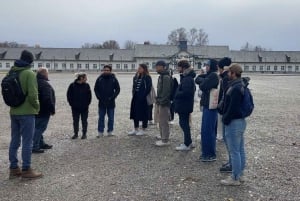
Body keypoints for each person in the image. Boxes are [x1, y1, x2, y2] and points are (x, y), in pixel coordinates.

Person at [8, 50, 42, 179]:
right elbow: (33, 95)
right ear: (31, 61)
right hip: (27, 112)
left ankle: (13, 168)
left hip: (14, 111)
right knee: (28, 141)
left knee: (15, 140)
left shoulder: (12, 71)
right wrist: (37, 107)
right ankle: (26, 169)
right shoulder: (29, 74)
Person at [220, 63, 248, 186]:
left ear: (233, 73)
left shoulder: (235, 88)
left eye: (229, 72)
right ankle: (240, 174)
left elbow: (232, 107)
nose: (228, 75)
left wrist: (225, 118)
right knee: (240, 149)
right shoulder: (241, 85)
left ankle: (235, 177)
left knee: (234, 151)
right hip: (240, 121)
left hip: (234, 122)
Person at [195, 59, 219, 162]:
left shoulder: (213, 75)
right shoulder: (209, 75)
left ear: (212, 66)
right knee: (206, 130)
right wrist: (203, 78)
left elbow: (203, 85)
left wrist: (203, 80)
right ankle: (207, 153)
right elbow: (197, 79)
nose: (206, 67)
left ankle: (209, 154)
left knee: (207, 131)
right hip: (207, 106)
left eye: (207, 65)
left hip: (210, 107)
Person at [32, 67, 56, 153]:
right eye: (47, 73)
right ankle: (34, 147)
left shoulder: (34, 82)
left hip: (36, 109)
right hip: (43, 111)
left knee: (38, 127)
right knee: (40, 128)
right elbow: (47, 99)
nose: (48, 74)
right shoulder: (45, 84)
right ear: (44, 74)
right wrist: (52, 109)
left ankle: (41, 143)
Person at [174, 60, 196, 151]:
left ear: (183, 68)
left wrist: (176, 93)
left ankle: (187, 143)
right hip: (185, 105)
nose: (177, 68)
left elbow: (187, 92)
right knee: (185, 123)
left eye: (179, 67)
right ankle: (189, 142)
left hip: (184, 105)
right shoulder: (187, 77)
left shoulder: (187, 79)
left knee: (184, 124)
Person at [94, 65, 120, 137]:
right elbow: (96, 89)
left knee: (111, 118)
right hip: (102, 102)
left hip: (111, 101)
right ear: (103, 70)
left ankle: (110, 131)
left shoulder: (113, 79)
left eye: (107, 70)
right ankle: (100, 132)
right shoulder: (99, 79)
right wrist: (99, 97)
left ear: (110, 71)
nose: (106, 71)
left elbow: (118, 89)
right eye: (105, 70)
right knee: (101, 117)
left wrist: (113, 97)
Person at [217, 57, 233, 173]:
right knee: (229, 141)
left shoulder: (226, 79)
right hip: (226, 112)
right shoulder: (226, 78)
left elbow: (226, 97)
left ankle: (232, 165)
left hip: (226, 113)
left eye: (219, 68)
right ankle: (231, 162)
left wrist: (222, 109)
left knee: (229, 141)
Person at [128, 64, 152, 135]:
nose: (138, 69)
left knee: (144, 113)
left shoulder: (147, 77)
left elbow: (148, 88)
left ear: (144, 69)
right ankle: (136, 128)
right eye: (138, 68)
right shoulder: (136, 77)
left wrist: (143, 96)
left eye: (140, 68)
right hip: (135, 97)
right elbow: (134, 87)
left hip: (143, 98)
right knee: (135, 113)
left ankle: (144, 129)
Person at [67, 72, 92, 139]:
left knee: (84, 121)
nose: (86, 79)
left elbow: (89, 96)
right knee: (75, 121)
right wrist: (72, 104)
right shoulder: (72, 85)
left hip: (84, 108)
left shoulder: (87, 85)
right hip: (75, 108)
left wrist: (87, 104)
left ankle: (84, 134)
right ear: (81, 78)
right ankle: (76, 134)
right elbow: (69, 96)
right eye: (85, 78)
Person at [155, 60, 172, 146]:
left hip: (164, 103)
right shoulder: (161, 76)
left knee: (164, 121)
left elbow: (166, 92)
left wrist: (162, 101)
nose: (156, 68)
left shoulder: (165, 77)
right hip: (160, 102)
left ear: (163, 67)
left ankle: (165, 139)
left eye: (158, 66)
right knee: (160, 120)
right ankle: (162, 136)